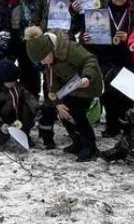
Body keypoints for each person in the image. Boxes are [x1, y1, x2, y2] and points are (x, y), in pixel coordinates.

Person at [25, 25, 103, 161]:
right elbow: (51, 84)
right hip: (69, 88)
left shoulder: (69, 48)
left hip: (87, 83)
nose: (43, 62)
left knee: (78, 114)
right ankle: (77, 142)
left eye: (43, 58)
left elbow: (90, 59)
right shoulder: (49, 62)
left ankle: (90, 147)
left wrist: (87, 77)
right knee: (64, 113)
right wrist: (58, 103)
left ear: (49, 50)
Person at [81, 0, 134, 137]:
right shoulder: (99, 13)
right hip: (105, 59)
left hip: (126, 59)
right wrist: (85, 38)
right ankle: (112, 125)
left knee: (126, 94)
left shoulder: (133, 14)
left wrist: (128, 37)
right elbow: (86, 35)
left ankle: (127, 125)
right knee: (109, 95)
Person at [0, 58, 39, 147]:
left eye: (14, 80)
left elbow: (28, 97)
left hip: (17, 117)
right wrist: (0, 125)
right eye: (10, 81)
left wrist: (36, 108)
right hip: (1, 120)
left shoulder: (17, 86)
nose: (13, 83)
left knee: (26, 109)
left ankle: (24, 134)